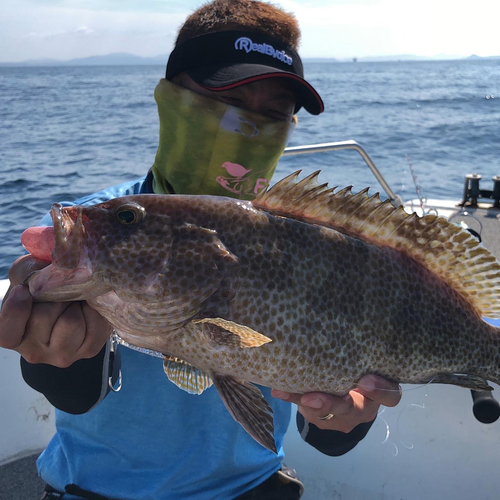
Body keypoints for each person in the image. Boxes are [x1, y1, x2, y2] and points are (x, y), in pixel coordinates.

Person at [0, 1, 401, 498]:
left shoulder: (311, 241)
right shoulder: (98, 226)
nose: (244, 127)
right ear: (171, 99)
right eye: (222, 100)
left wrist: (344, 418)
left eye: (272, 113)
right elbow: (77, 396)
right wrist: (50, 352)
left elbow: (325, 435)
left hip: (255, 487)